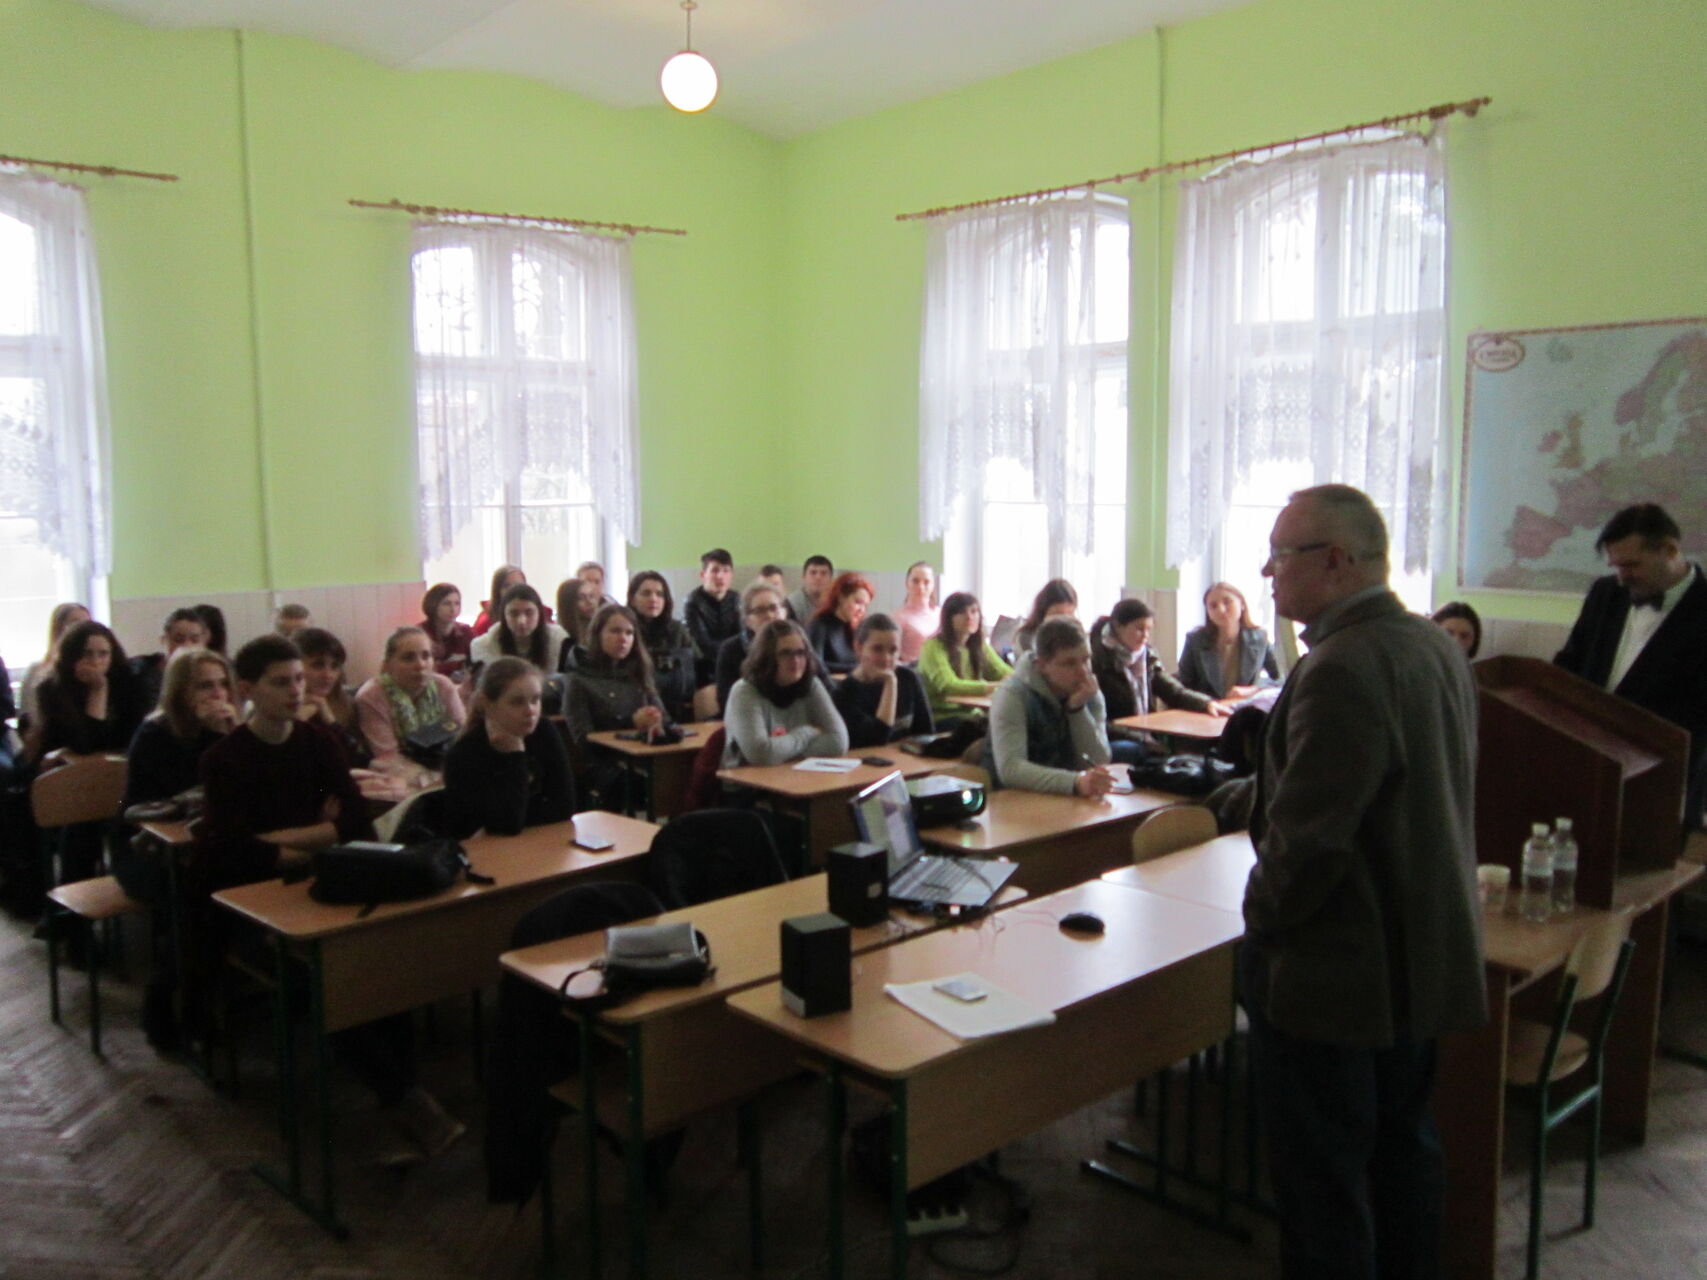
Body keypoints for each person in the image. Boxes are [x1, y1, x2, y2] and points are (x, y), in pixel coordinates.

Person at [1243, 483, 1485, 1280]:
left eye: (1280, 554)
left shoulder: (1341, 665)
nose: (1267, 572)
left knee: (1324, 1189)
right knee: (1401, 1159)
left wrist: (1259, 925)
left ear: (1336, 560)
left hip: (1339, 974)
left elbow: (1307, 844)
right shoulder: (1430, 645)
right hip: (1418, 960)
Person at [199, 635, 462, 1159]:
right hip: (251, 903)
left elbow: (355, 822)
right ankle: (404, 1101)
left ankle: (398, 1098)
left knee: (383, 965)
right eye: (281, 682)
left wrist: (280, 840)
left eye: (299, 679)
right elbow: (232, 852)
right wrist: (317, 837)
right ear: (247, 689)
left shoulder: (318, 742)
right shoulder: (224, 759)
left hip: (326, 882)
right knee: (325, 981)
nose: (297, 691)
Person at [1554, 503, 1707, 829]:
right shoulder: (1604, 593)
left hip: (1663, 785)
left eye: (1631, 565)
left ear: (1670, 550)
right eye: (1616, 566)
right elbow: (1571, 664)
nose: (1622, 577)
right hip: (1589, 771)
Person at [118, 646, 238, 1049]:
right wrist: (217, 742)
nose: (217, 694)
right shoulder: (155, 734)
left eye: (222, 684)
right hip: (144, 851)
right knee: (193, 901)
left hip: (200, 847)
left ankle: (214, 997)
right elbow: (175, 800)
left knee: (223, 886)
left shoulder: (228, 730)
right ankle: (167, 1004)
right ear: (180, 691)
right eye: (204, 686)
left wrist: (228, 738)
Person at [982, 616, 1118, 795]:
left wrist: (1077, 710)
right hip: (1013, 799)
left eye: (1086, 660)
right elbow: (1011, 770)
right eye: (1069, 663)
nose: (1083, 671)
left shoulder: (1088, 692)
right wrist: (1074, 782)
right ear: (1041, 665)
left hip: (1065, 797)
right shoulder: (1012, 695)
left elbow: (1098, 760)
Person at [442, 657, 576, 839]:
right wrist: (514, 756)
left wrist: (523, 816)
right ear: (487, 704)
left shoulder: (544, 730)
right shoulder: (464, 753)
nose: (530, 711)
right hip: (486, 850)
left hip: (538, 842)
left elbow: (565, 808)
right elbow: (507, 824)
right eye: (517, 702)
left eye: (535, 700)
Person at [1089, 599, 1228, 763]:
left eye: (1148, 629)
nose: (1145, 636)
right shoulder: (1097, 661)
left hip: (1143, 734)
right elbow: (1098, 722)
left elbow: (1173, 692)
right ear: (1118, 627)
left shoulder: (1146, 656)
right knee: (1138, 752)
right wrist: (1141, 739)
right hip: (1111, 737)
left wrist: (1206, 704)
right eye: (1139, 629)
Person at [565, 605, 668, 808]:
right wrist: (631, 723)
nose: (623, 639)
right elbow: (584, 739)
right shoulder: (578, 680)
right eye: (615, 631)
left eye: (629, 633)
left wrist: (656, 719)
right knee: (643, 784)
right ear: (597, 634)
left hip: (645, 757)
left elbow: (666, 718)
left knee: (680, 773)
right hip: (605, 765)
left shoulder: (639, 673)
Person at [722, 620, 849, 768]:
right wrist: (806, 733)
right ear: (767, 657)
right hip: (748, 779)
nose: (795, 660)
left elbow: (839, 743)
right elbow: (761, 754)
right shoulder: (744, 691)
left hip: (797, 775)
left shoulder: (812, 685)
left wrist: (780, 751)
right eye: (785, 653)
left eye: (800, 653)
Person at [354, 627, 466, 761]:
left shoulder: (443, 685)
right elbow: (388, 756)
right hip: (395, 768)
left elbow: (463, 735)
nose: (420, 665)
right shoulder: (371, 695)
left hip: (446, 761)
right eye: (408, 658)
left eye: (426, 656)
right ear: (388, 664)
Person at [832, 614, 934, 747]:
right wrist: (890, 682)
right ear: (859, 648)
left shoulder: (909, 678)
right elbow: (877, 739)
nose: (887, 658)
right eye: (877, 649)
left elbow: (926, 733)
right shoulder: (844, 693)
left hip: (905, 758)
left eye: (893, 650)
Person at [917, 591, 1012, 725]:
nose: (969, 617)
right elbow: (948, 685)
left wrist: (1012, 680)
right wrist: (992, 687)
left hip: (973, 714)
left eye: (974, 611)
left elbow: (1003, 672)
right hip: (941, 717)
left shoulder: (980, 646)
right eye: (962, 612)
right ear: (948, 618)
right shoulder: (933, 647)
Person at [1176, 581, 1281, 699]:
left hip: (1246, 706)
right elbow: (1184, 685)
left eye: (1227, 602)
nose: (1221, 610)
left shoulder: (1260, 638)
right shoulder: (1195, 640)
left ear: (1242, 604)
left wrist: (1253, 690)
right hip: (1207, 707)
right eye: (1213, 606)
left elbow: (1280, 678)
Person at [628, 570, 698, 720]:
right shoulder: (626, 629)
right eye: (646, 593)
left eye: (660, 594)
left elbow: (697, 663)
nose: (653, 599)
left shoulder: (677, 629)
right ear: (633, 599)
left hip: (677, 702)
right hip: (637, 706)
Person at [716, 581, 789, 714]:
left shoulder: (798, 642)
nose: (769, 615)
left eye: (773, 608)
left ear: (784, 613)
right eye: (760, 610)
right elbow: (727, 702)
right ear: (747, 620)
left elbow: (821, 682)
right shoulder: (730, 650)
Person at [295, 627, 365, 764]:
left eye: (334, 666)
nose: (328, 675)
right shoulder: (274, 710)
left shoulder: (347, 703)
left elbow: (359, 759)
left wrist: (331, 721)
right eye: (317, 665)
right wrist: (296, 723)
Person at [469, 583, 571, 675]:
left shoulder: (560, 640)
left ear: (539, 613)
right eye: (514, 614)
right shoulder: (484, 646)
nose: (521, 621)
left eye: (529, 613)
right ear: (504, 616)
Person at [19, 601, 91, 729]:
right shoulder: (37, 670)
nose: (82, 628)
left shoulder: (95, 669)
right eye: (75, 622)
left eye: (87, 623)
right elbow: (28, 715)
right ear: (59, 628)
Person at [129, 606, 211, 712]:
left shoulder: (212, 674)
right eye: (179, 640)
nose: (187, 645)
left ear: (204, 642)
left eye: (195, 640)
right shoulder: (142, 674)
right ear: (164, 640)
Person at [684, 547, 741, 688]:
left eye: (726, 571)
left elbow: (742, 637)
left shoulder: (737, 600)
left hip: (734, 665)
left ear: (731, 575)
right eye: (715, 571)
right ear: (703, 575)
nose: (720, 576)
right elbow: (702, 644)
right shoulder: (692, 603)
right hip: (703, 670)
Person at [806, 571, 874, 675]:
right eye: (858, 602)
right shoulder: (819, 625)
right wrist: (858, 668)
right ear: (841, 597)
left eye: (865, 606)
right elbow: (816, 665)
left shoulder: (859, 629)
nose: (862, 610)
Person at [421, 583, 474, 682]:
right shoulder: (421, 634)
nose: (453, 609)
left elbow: (476, 662)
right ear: (433, 605)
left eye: (457, 603)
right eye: (446, 604)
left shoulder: (465, 631)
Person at [1013, 578, 1078, 655]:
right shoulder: (1026, 638)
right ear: (1043, 613)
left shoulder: (1077, 638)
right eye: (1057, 614)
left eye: (1069, 614)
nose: (1063, 620)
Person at [894, 562, 938, 663]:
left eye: (926, 582)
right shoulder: (898, 617)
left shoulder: (942, 614)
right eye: (915, 581)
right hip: (913, 670)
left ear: (933, 585)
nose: (921, 587)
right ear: (907, 583)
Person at [555, 576, 600, 664]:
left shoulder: (600, 632)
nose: (589, 602)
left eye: (591, 596)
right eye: (581, 598)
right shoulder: (562, 639)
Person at [787, 555, 834, 624]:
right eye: (813, 573)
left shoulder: (838, 604)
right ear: (804, 577)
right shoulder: (791, 604)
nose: (818, 577)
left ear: (831, 579)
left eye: (823, 573)